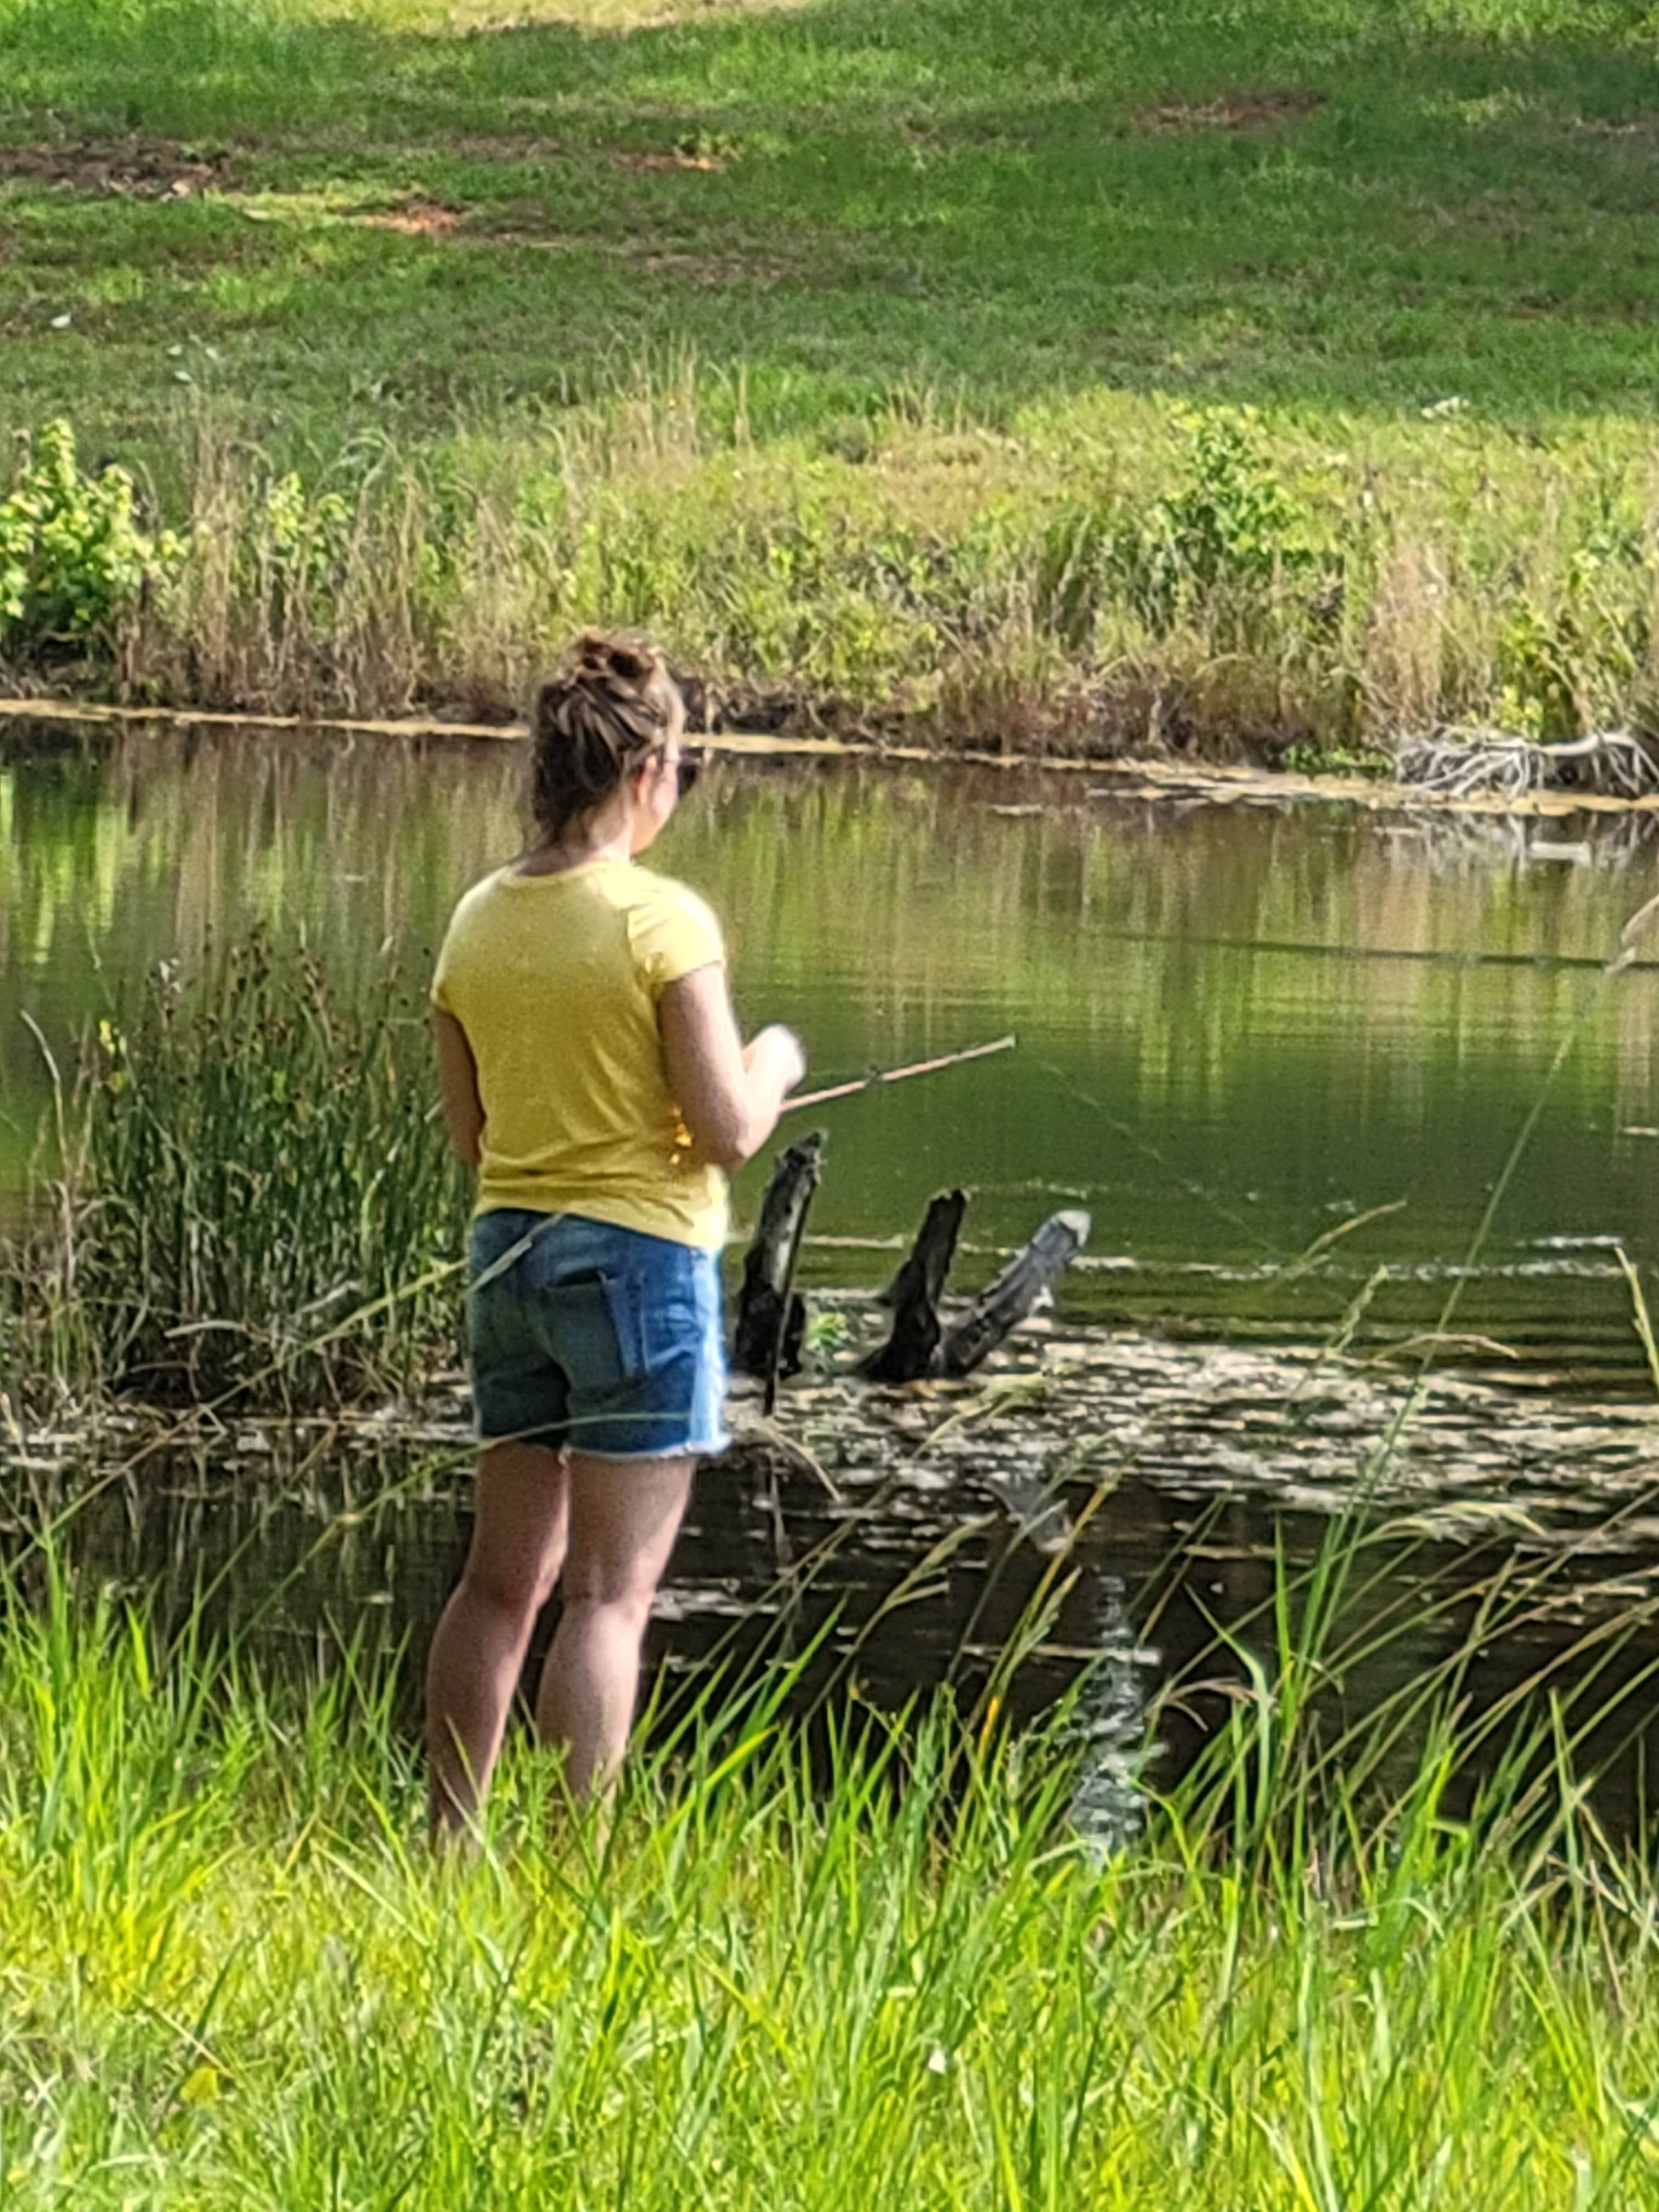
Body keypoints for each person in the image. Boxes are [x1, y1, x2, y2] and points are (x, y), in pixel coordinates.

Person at [424, 631, 805, 1835]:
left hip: (509, 1264)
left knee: (499, 1585)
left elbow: (474, 1136)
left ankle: (448, 1846)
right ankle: (572, 1872)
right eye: (680, 770)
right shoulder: (663, 923)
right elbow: (731, 1127)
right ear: (644, 772)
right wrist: (779, 1059)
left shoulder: (474, 922)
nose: (678, 794)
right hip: (640, 1272)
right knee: (608, 1596)